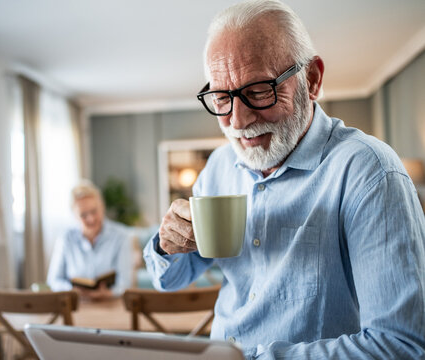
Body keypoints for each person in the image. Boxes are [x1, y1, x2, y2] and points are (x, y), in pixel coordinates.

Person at [143, 1, 425, 358]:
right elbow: (169, 279)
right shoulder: (219, 167)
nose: (239, 120)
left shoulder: (368, 172)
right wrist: (166, 244)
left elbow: (401, 346)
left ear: (312, 79)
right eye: (221, 97)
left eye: (259, 90)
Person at [47, 180, 133, 301]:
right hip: (75, 304)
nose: (91, 219)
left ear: (102, 207)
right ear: (74, 215)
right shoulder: (65, 238)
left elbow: (125, 283)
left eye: (94, 211)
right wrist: (71, 290)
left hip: (109, 304)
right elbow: (53, 281)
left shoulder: (121, 236)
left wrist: (109, 293)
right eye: (83, 215)